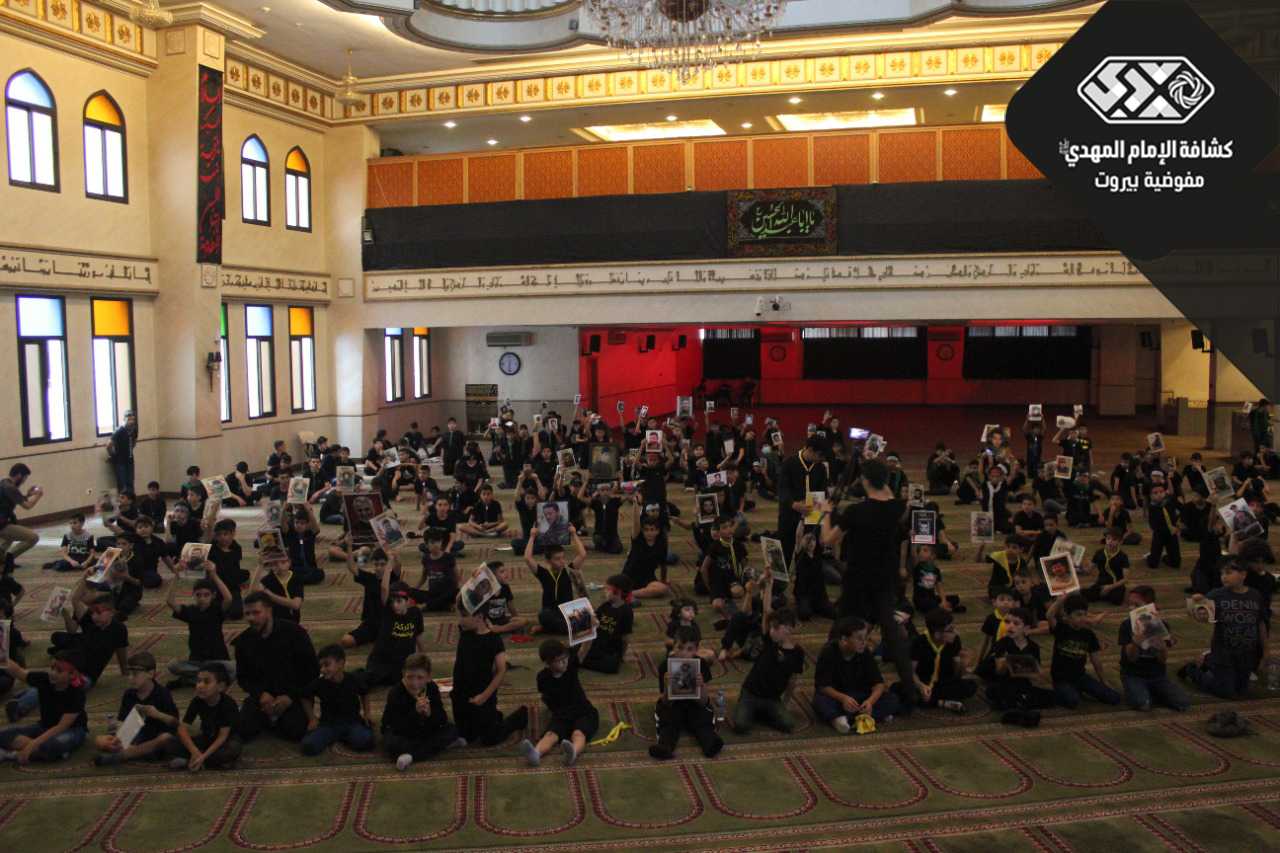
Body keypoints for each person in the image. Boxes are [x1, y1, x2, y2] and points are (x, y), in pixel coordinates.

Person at [822, 458, 916, 712]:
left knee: (841, 628)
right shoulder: (898, 506)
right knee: (891, 633)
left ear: (864, 481)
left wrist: (827, 513)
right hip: (885, 578)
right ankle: (911, 690)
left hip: (858, 578)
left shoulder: (856, 512)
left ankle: (826, 679)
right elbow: (885, 492)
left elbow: (828, 540)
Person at [233, 592, 320, 742]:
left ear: (269, 611)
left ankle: (275, 719)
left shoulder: (295, 633)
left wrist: (290, 697)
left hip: (294, 694)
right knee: (243, 730)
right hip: (263, 697)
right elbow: (243, 678)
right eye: (247, 614)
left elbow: (311, 671)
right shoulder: (243, 642)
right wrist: (260, 694)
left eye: (256, 612)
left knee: (296, 731)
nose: (251, 618)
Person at [1181, 557, 1266, 699]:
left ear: (1243, 574)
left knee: (1243, 691)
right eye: (1222, 573)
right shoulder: (1217, 595)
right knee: (1227, 692)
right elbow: (1202, 617)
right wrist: (1196, 606)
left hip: (1247, 653)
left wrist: (1265, 651)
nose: (1224, 577)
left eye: (1228, 572)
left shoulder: (1255, 595)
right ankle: (1192, 671)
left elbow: (1260, 623)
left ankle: (1208, 662)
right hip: (1223, 653)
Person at [732, 568, 804, 734]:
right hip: (751, 693)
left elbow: (793, 680)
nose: (772, 631)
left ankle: (762, 712)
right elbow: (767, 610)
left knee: (788, 725)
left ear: (789, 629)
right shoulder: (770, 641)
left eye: (777, 628)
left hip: (772, 698)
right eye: (771, 627)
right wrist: (769, 585)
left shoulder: (797, 653)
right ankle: (754, 710)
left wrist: (785, 703)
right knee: (741, 726)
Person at [451, 599, 529, 746]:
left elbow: (501, 670)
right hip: (461, 695)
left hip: (482, 694)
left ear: (479, 617)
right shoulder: (465, 632)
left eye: (464, 616)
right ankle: (494, 717)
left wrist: (484, 696)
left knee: (490, 738)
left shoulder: (494, 640)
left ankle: (520, 716)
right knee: (466, 735)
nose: (460, 620)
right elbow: (458, 601)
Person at [519, 635, 599, 767]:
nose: (564, 662)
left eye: (565, 658)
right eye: (559, 661)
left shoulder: (571, 665)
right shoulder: (543, 677)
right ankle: (536, 754)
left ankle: (573, 752)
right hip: (562, 714)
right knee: (550, 735)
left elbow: (585, 647)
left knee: (578, 734)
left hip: (583, 711)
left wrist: (592, 631)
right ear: (548, 663)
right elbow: (546, 697)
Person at [813, 617, 900, 732]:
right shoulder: (829, 652)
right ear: (844, 639)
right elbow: (822, 686)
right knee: (820, 701)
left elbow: (879, 684)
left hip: (860, 695)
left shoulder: (864, 652)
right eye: (859, 638)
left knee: (892, 699)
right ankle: (851, 717)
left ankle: (848, 717)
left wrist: (870, 702)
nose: (864, 642)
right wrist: (843, 698)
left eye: (865, 638)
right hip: (837, 696)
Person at [649, 626, 723, 760]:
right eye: (680, 648)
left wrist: (701, 686)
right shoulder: (665, 666)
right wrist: (668, 686)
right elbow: (666, 702)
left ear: (696, 649)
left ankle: (710, 744)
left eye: (689, 649)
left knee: (703, 718)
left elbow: (704, 701)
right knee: (667, 719)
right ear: (673, 646)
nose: (684, 654)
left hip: (694, 705)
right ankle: (664, 746)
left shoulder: (701, 664)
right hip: (674, 705)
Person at [93, 651, 179, 765]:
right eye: (129, 674)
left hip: (155, 737)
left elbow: (175, 723)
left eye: (135, 674)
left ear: (150, 674)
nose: (130, 678)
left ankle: (122, 756)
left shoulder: (162, 693)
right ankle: (134, 752)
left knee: (165, 738)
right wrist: (118, 732)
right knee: (99, 740)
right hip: (135, 736)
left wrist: (157, 714)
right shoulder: (129, 694)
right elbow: (122, 721)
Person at [0, 653, 88, 763]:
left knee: (53, 746)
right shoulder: (45, 679)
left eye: (59, 671)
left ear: (73, 675)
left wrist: (32, 745)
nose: (53, 673)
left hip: (73, 730)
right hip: (45, 725)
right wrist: (2, 657)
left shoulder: (77, 693)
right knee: (3, 735)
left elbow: (62, 726)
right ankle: (46, 752)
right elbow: (19, 672)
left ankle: (17, 753)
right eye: (52, 668)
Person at [382, 653, 462, 770]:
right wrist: (415, 713)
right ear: (403, 674)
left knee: (453, 730)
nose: (414, 683)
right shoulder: (396, 692)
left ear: (428, 677)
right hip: (404, 733)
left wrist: (430, 713)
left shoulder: (432, 688)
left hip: (426, 731)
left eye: (420, 678)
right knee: (391, 743)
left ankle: (411, 756)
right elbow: (395, 726)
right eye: (410, 677)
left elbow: (442, 719)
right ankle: (435, 748)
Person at [1117, 587, 1189, 712]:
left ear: (1150, 606)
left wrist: (1162, 648)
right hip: (1133, 674)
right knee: (1142, 704)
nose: (1131, 608)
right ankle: (1146, 692)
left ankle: (1152, 691)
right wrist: (1135, 644)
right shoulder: (1127, 625)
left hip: (1157, 675)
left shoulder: (1161, 625)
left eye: (1136, 605)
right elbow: (1131, 658)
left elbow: (1162, 660)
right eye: (1130, 604)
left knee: (1183, 703)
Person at [160, 663, 242, 771]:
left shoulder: (227, 704)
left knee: (232, 749)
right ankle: (208, 762)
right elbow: (182, 728)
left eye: (206, 682)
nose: (200, 686)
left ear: (220, 686)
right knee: (170, 743)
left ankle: (193, 761)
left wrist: (202, 757)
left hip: (225, 741)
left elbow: (222, 737)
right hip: (206, 738)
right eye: (198, 681)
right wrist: (194, 751)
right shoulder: (197, 701)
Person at [166, 561, 235, 689]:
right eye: (198, 595)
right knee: (172, 665)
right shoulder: (190, 611)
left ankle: (191, 680)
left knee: (233, 668)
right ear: (193, 595)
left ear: (213, 595)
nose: (202, 598)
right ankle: (209, 679)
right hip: (197, 661)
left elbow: (229, 599)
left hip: (217, 660)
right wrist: (176, 575)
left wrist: (213, 574)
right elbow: (170, 601)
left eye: (206, 595)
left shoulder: (217, 610)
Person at [1047, 593, 1121, 708]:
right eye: (1078, 615)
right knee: (1072, 701)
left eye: (1084, 615)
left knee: (1114, 698)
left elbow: (1096, 661)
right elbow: (1049, 616)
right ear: (1068, 616)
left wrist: (1104, 681)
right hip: (1061, 678)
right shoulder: (1061, 628)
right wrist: (1059, 601)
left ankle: (1077, 689)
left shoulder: (1088, 634)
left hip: (1080, 676)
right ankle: (1068, 691)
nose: (1082, 618)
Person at [976, 606, 1055, 714]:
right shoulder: (1002, 643)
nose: (1010, 626)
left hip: (1024, 685)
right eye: (1007, 622)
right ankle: (1018, 703)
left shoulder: (1033, 647)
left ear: (1026, 628)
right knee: (993, 691)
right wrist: (1020, 665)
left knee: (1052, 696)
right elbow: (999, 671)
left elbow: (1036, 675)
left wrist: (1012, 663)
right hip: (1005, 684)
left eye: (1016, 623)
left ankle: (1018, 702)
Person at [300, 645, 375, 756]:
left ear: (341, 663)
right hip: (328, 724)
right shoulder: (319, 683)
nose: (322, 670)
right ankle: (339, 737)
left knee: (367, 741)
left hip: (352, 722)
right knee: (308, 747)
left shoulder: (353, 679)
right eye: (321, 666)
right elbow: (304, 696)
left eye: (327, 665)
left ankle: (348, 736)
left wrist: (367, 713)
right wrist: (312, 718)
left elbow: (365, 692)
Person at [363, 574, 426, 687]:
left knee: (409, 682)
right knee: (368, 681)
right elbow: (384, 589)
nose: (394, 605)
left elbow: (419, 636)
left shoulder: (416, 613)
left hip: (402, 662)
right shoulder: (388, 612)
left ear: (408, 601)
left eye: (399, 601)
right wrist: (389, 567)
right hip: (383, 660)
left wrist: (424, 659)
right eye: (392, 601)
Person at [911, 608, 977, 712]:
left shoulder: (955, 641)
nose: (955, 632)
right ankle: (942, 702)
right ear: (937, 634)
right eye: (950, 630)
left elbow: (957, 675)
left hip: (945, 681)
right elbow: (911, 672)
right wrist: (920, 686)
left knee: (970, 686)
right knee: (901, 690)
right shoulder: (919, 642)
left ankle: (934, 701)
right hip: (924, 681)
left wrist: (963, 664)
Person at [525, 527, 587, 634]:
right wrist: (532, 536)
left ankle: (549, 629)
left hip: (567, 612)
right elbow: (528, 558)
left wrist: (573, 534)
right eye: (557, 559)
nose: (562, 561)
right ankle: (566, 628)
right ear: (548, 560)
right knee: (543, 615)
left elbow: (582, 555)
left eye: (563, 557)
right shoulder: (544, 574)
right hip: (551, 613)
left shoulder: (568, 571)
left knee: (586, 613)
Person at [778, 437, 827, 564]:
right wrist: (793, 504)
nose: (821, 459)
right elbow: (782, 488)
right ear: (810, 449)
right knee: (785, 549)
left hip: (811, 514)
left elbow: (822, 491)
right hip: (789, 513)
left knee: (808, 554)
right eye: (819, 455)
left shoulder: (820, 468)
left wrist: (815, 512)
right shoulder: (789, 463)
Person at [581, 574, 634, 674]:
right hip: (597, 644)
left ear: (617, 592)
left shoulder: (626, 611)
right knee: (577, 650)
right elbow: (594, 620)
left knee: (611, 666)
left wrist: (622, 656)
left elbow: (625, 638)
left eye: (607, 589)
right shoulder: (605, 605)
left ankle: (579, 661)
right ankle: (580, 660)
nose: (605, 592)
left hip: (611, 649)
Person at [0, 463, 43, 572]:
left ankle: (2, 557)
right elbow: (27, 506)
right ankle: (7, 560)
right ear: (19, 475)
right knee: (33, 537)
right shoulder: (10, 488)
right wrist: (38, 496)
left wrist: (28, 495)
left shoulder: (4, 483)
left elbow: (15, 499)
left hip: (4, 521)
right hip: (2, 524)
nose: (24, 481)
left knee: (10, 535)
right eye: (25, 478)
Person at [1085, 528, 1129, 605]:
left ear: (1120, 542)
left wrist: (1109, 587)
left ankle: (1102, 595)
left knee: (1116, 600)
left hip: (1116, 585)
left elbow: (1125, 579)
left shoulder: (1123, 556)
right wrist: (1082, 560)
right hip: (1101, 583)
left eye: (1114, 540)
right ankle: (1102, 595)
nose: (1110, 542)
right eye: (1108, 539)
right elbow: (1088, 570)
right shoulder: (1099, 553)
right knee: (1086, 595)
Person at [1145, 481, 1181, 569]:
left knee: (1176, 564)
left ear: (1165, 492)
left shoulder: (1170, 502)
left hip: (1172, 534)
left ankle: (1166, 557)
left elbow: (1180, 511)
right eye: (1155, 493)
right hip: (1159, 534)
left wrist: (1177, 526)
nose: (1159, 494)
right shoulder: (1152, 507)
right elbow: (1153, 525)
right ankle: (1150, 556)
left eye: (1161, 492)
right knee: (1153, 564)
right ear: (1151, 496)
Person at [108, 411, 138, 493]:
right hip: (120, 462)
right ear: (124, 420)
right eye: (129, 420)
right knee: (122, 485)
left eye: (133, 420)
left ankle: (131, 499)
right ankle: (123, 499)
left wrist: (130, 450)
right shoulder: (119, 431)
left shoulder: (134, 430)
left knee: (130, 483)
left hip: (130, 460)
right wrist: (112, 455)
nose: (131, 422)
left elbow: (134, 442)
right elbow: (109, 445)